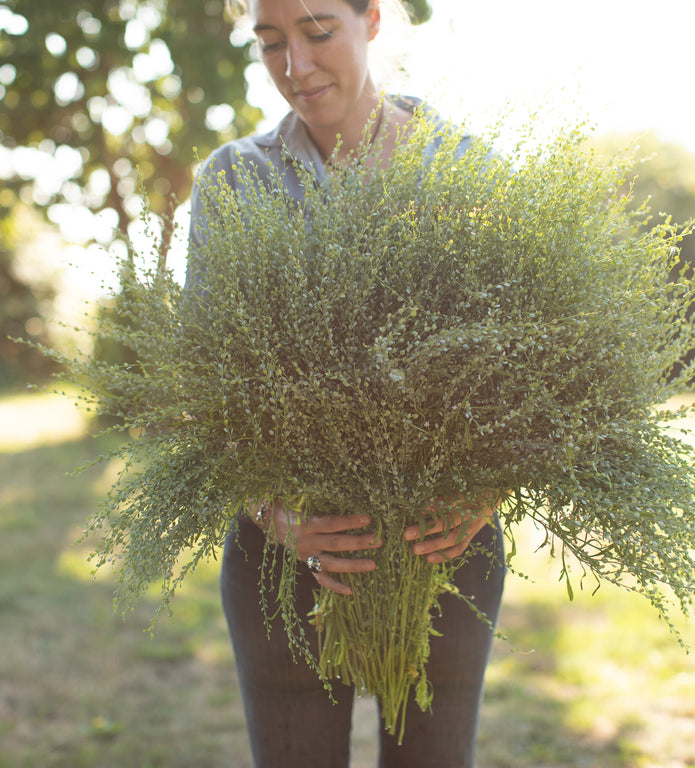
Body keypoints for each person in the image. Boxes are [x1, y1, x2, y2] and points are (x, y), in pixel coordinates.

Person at [186, 1, 506, 765]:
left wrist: (487, 494)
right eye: (270, 43)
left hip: (443, 550)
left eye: (317, 31)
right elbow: (201, 393)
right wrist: (278, 517)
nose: (294, 67)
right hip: (281, 561)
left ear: (371, 19)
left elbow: (530, 376)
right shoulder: (234, 179)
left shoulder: (465, 169)